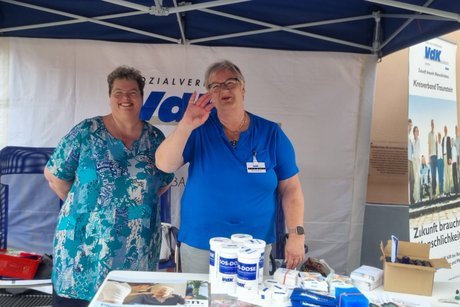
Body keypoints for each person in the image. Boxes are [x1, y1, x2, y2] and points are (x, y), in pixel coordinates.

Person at [155, 59, 306, 273]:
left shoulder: (271, 133)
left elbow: (291, 188)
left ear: (243, 88)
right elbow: (164, 164)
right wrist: (185, 125)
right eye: (215, 86)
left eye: (230, 83)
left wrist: (297, 234)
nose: (223, 89)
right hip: (201, 245)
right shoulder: (198, 129)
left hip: (253, 248)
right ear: (209, 95)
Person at [44, 66, 174, 307]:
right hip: (82, 249)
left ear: (142, 97)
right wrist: (89, 207)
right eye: (118, 92)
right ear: (110, 96)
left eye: (132, 92)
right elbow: (54, 175)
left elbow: (162, 184)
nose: (125, 98)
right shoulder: (86, 132)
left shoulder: (155, 138)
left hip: (137, 250)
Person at [427, 120, 437, 198]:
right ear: (431, 125)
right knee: (433, 175)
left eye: (433, 124)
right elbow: (429, 146)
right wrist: (429, 157)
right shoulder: (429, 134)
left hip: (436, 157)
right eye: (432, 124)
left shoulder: (436, 134)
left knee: (436, 175)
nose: (433, 125)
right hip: (432, 157)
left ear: (434, 125)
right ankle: (433, 192)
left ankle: (435, 191)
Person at [412, 126, 421, 203]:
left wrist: (418, 161)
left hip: (417, 162)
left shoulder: (419, 141)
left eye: (418, 131)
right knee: (414, 180)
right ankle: (414, 198)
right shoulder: (412, 141)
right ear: (413, 132)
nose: (417, 132)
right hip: (413, 161)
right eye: (415, 131)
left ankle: (418, 198)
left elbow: (419, 152)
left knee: (417, 179)